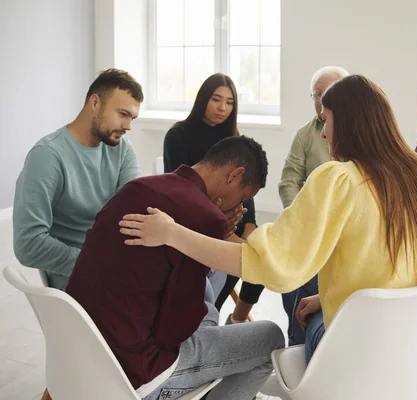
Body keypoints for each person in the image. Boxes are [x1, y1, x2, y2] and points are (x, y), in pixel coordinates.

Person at [119, 75, 417, 398]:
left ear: (350, 122)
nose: (324, 133)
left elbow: (271, 265)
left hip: (356, 361)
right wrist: (326, 298)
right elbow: (395, 268)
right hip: (416, 357)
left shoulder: (339, 179)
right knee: (312, 304)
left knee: (284, 325)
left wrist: (173, 233)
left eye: (326, 120)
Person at [66, 136, 284, 400]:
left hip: (82, 358)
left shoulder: (136, 187)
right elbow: (174, 331)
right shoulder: (206, 217)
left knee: (207, 304)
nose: (239, 207)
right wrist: (213, 226)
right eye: (243, 198)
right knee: (270, 338)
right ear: (234, 175)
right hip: (139, 374)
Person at [13, 69, 143, 289]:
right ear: (95, 103)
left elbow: (133, 212)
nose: (128, 126)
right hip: (82, 279)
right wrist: (98, 262)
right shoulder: (47, 155)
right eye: (122, 114)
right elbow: (29, 244)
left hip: (117, 265)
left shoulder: (122, 149)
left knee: (194, 289)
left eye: (132, 118)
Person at [163, 73, 261, 323]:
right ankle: (208, 316)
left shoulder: (235, 138)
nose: (222, 108)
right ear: (203, 99)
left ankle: (236, 318)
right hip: (199, 219)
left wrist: (250, 224)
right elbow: (178, 187)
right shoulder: (178, 135)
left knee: (261, 257)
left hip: (234, 218)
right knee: (240, 259)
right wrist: (222, 223)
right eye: (216, 100)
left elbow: (245, 189)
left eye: (229, 102)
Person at [278, 65, 348, 344]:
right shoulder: (305, 134)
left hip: (340, 228)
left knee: (309, 271)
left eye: (328, 93)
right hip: (310, 221)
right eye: (317, 94)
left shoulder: (358, 136)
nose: (321, 100)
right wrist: (301, 219)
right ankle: (297, 336)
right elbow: (288, 182)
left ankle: (302, 340)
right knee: (288, 265)